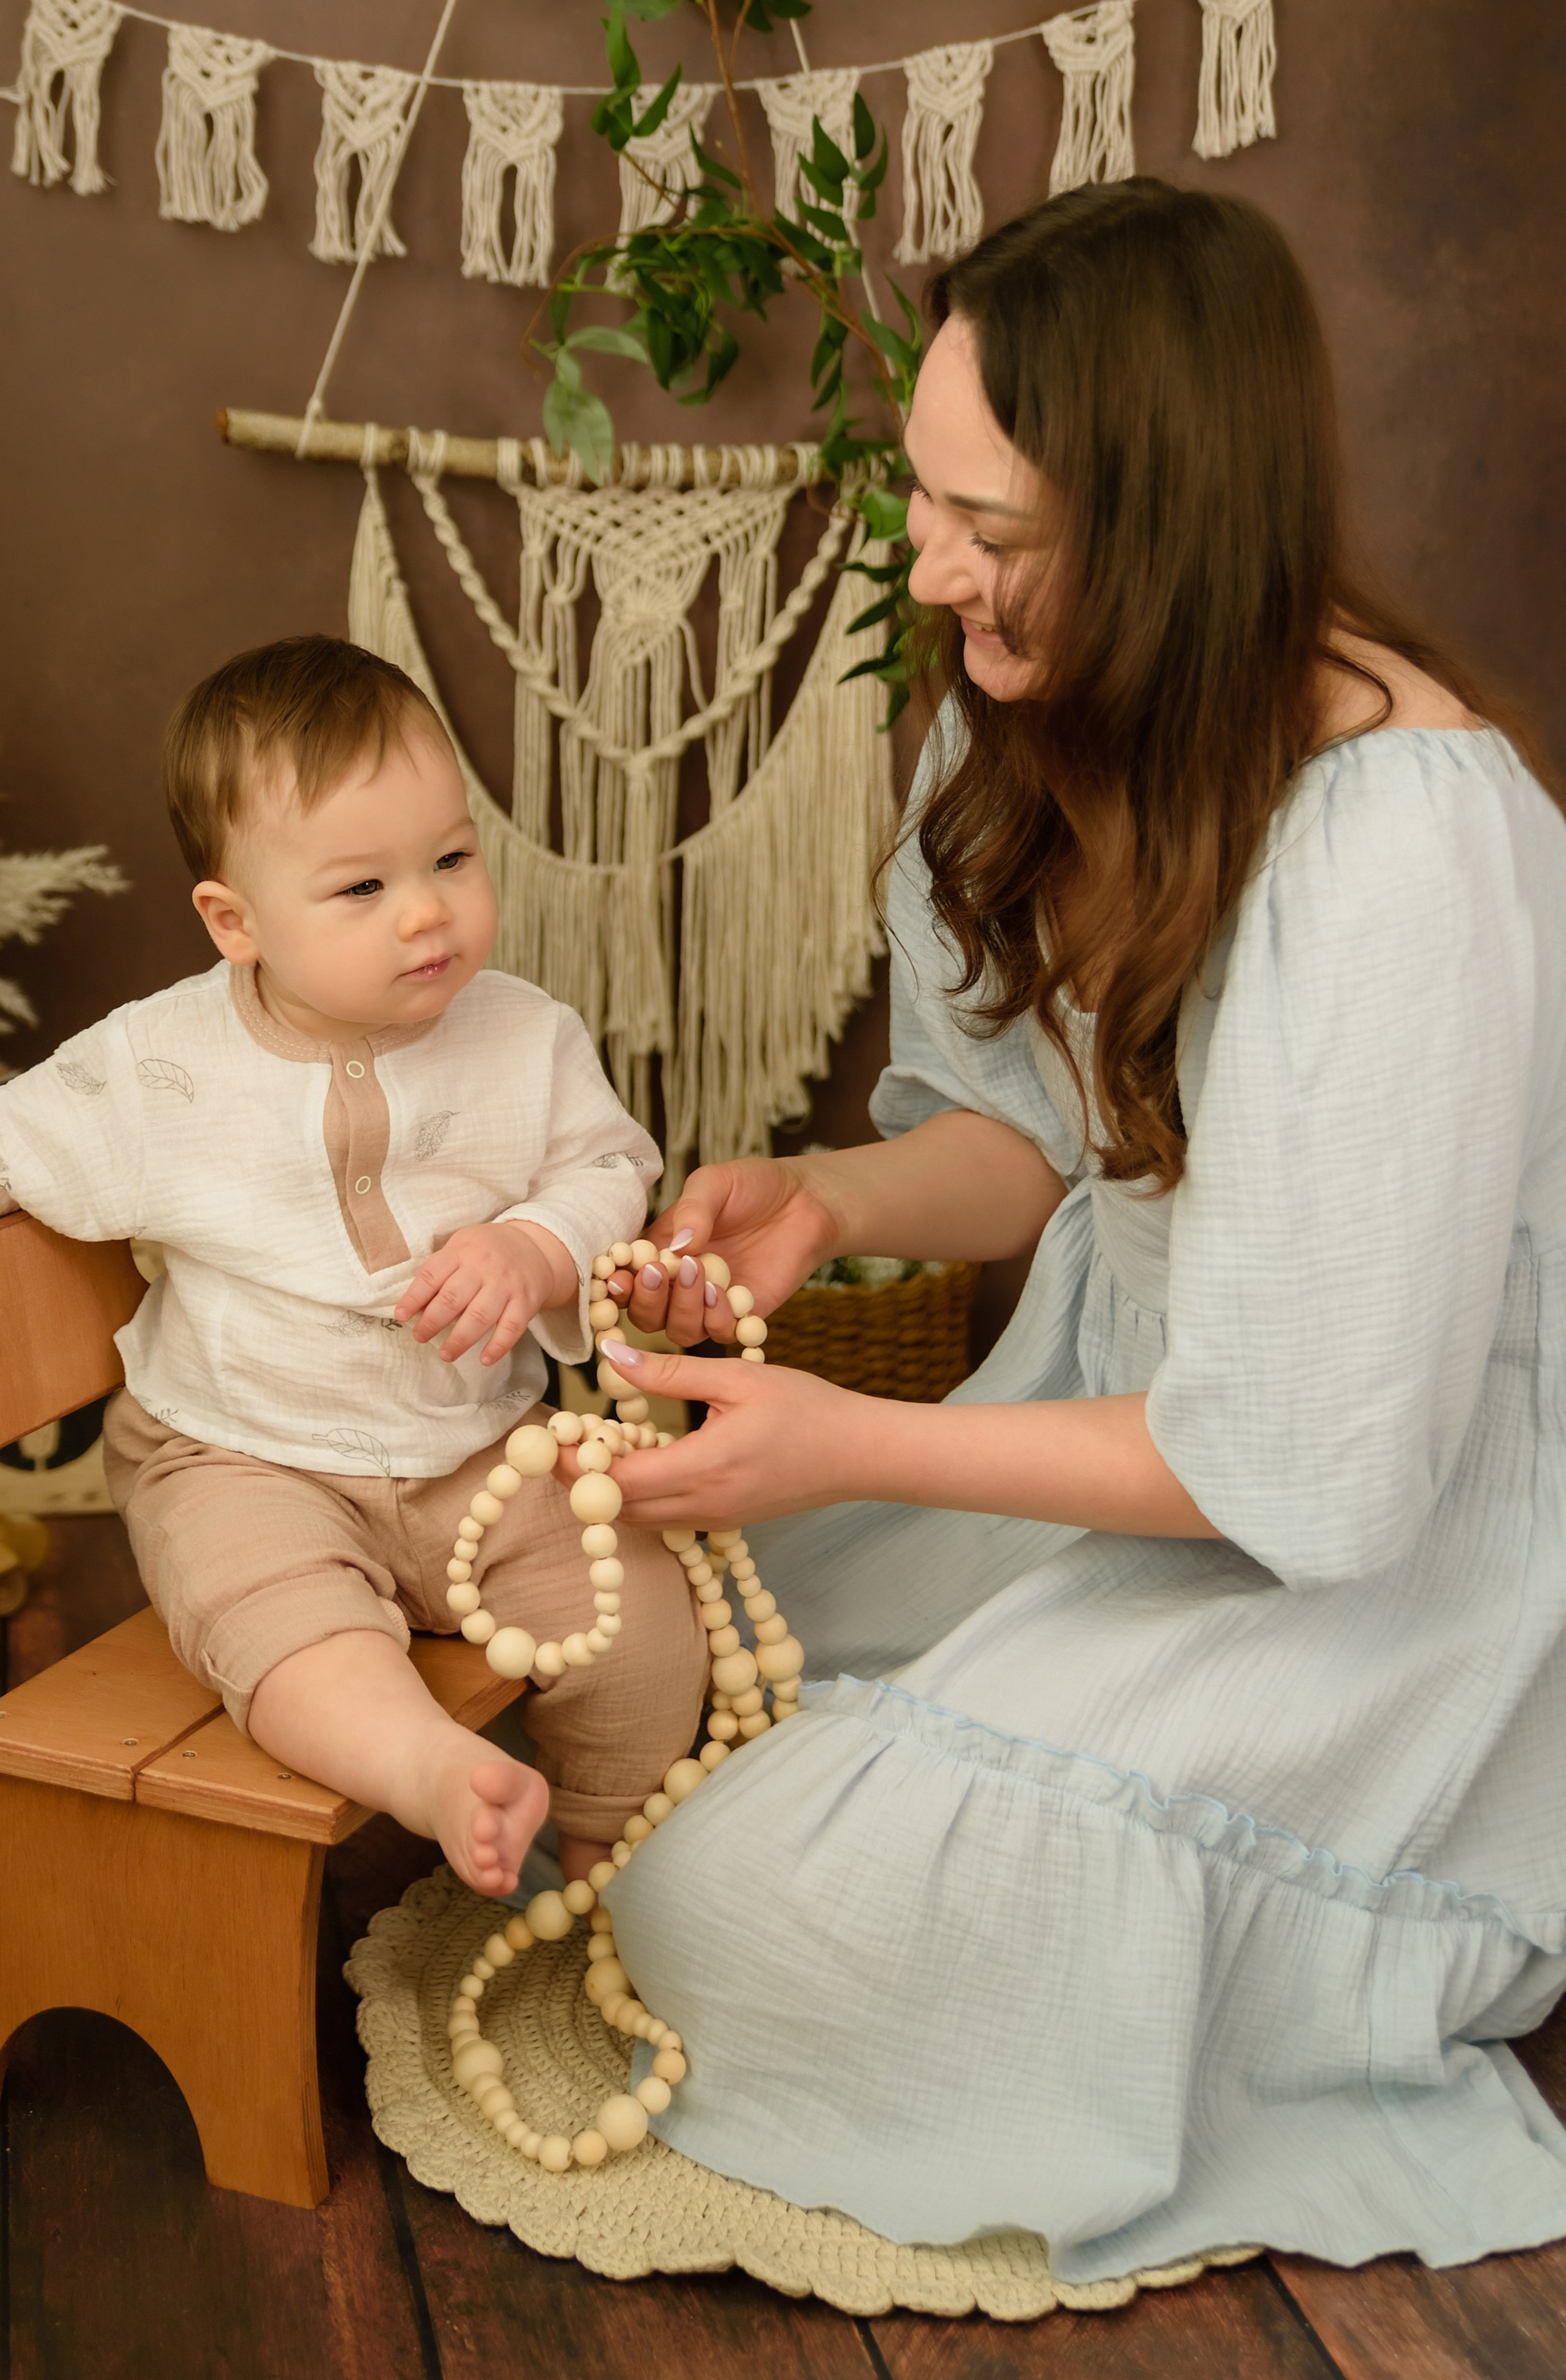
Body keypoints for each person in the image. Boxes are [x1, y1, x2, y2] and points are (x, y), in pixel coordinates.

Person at [582, 179, 1566, 2279]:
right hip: (1124, 1443)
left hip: (1368, 1562)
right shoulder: (1029, 710)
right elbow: (1038, 1150)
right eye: (924, 504)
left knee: (723, 1900)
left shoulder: (1398, 841)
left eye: (988, 527)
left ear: (1165, 512)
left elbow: (1301, 1468)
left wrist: (848, 1441)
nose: (930, 570)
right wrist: (828, 1199)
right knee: (671, 1676)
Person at [0, 636, 705, 1896]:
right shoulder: (162, 1066)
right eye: (362, 888)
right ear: (235, 922)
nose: (427, 911)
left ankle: (607, 1862)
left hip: (479, 1450)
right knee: (286, 1630)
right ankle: (427, 1769)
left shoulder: (525, 1034)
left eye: (450, 859)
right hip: (238, 1451)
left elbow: (610, 1165)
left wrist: (534, 1246)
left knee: (637, 1601)